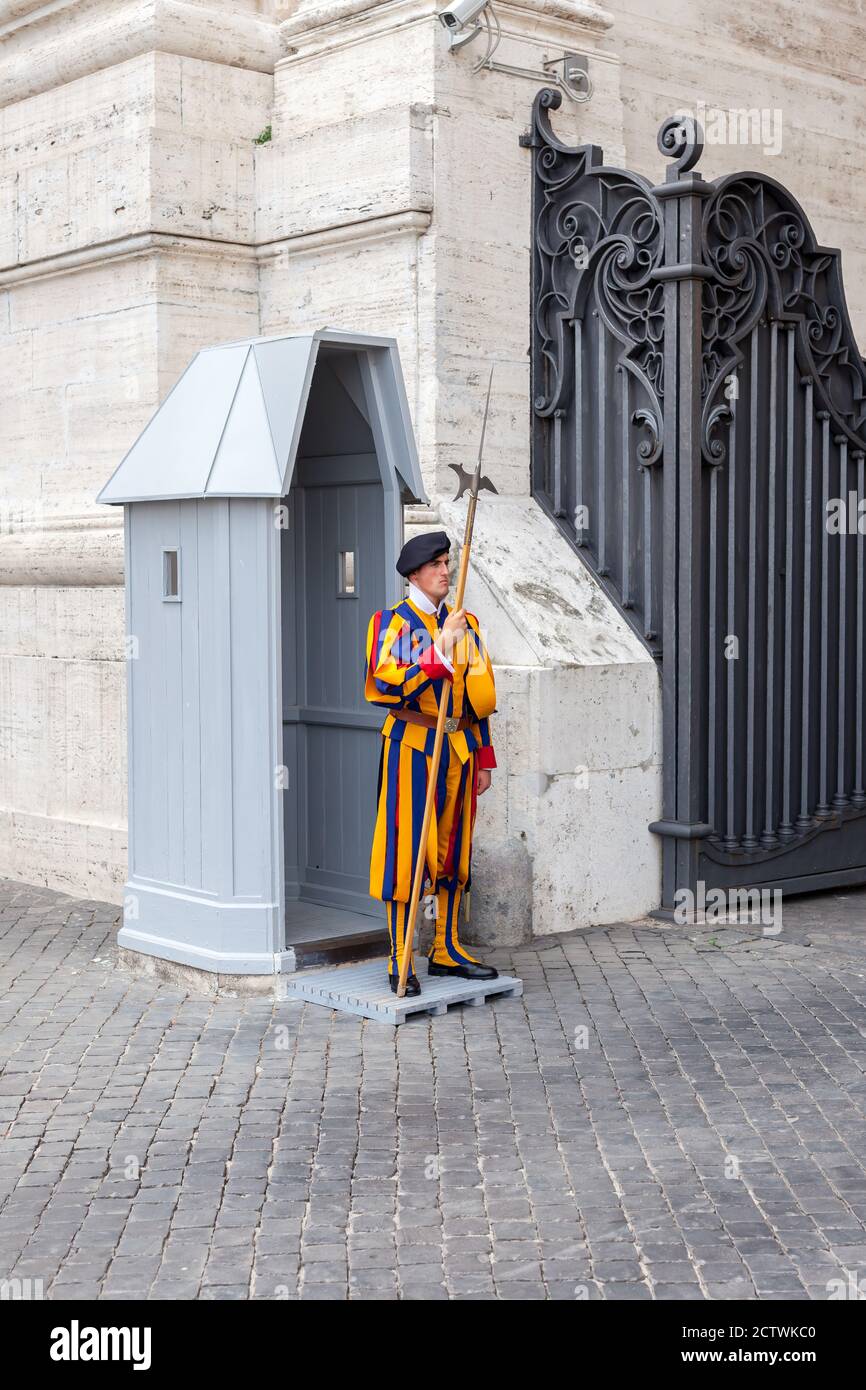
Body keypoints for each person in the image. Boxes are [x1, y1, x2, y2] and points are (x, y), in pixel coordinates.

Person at [364, 530, 499, 995]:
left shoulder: (466, 624)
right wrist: (441, 648)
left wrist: (483, 756)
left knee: (453, 848)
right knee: (407, 850)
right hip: (413, 746)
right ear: (415, 574)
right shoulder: (393, 623)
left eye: (448, 563)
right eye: (438, 564)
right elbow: (389, 683)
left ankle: (445, 947)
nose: (447, 572)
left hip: (459, 749)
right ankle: (401, 955)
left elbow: (474, 699)